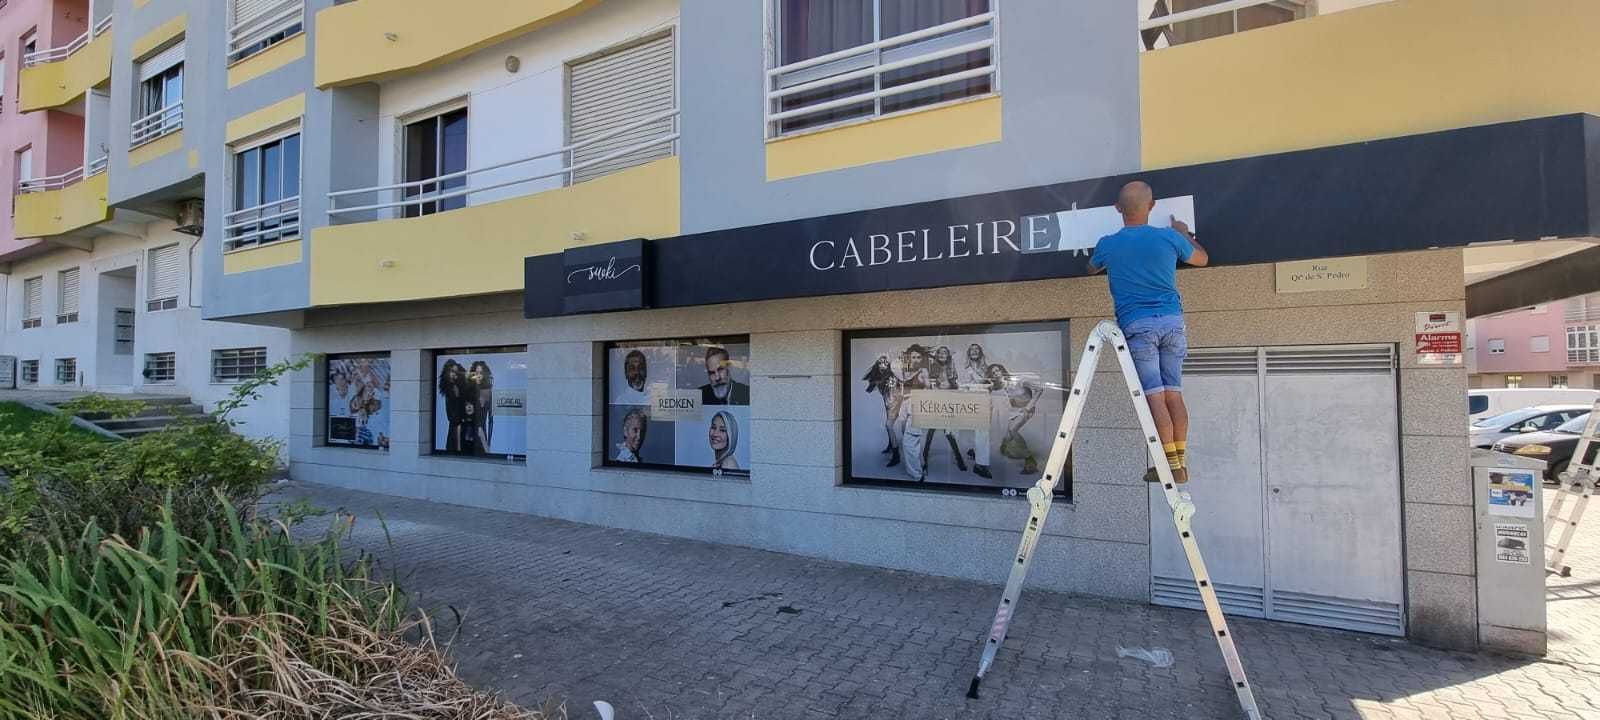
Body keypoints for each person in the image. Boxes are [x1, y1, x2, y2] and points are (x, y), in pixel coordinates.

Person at [1087, 181, 1209, 484]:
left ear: (1118, 209)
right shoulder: (1169, 238)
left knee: (1155, 398)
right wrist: (1184, 232)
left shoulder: (1109, 243)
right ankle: (1180, 463)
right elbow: (1202, 259)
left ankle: (1167, 467)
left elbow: (1091, 268)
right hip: (1172, 321)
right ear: (1151, 206)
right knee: (1173, 394)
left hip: (1138, 325)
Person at [926, 345, 968, 472]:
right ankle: (925, 456)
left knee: (948, 431)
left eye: (945, 353)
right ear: (936, 355)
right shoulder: (932, 365)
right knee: (931, 430)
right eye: (940, 353)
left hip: (948, 401)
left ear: (948, 355)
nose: (942, 355)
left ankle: (958, 458)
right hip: (936, 401)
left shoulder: (951, 366)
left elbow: (954, 384)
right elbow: (932, 384)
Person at [959, 344, 994, 479]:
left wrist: (979, 384)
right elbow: (960, 385)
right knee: (970, 432)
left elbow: (991, 384)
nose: (974, 351)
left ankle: (980, 465)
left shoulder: (987, 368)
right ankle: (975, 452)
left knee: (983, 432)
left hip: (983, 401)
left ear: (980, 353)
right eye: (972, 349)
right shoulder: (964, 368)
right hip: (968, 402)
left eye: (977, 349)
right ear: (968, 353)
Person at [862, 355, 900, 456]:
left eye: (885, 363)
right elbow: (870, 390)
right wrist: (875, 381)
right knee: (888, 425)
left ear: (888, 366)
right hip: (888, 402)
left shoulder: (891, 377)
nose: (883, 365)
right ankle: (891, 445)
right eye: (880, 363)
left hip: (895, 403)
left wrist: (890, 404)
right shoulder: (878, 376)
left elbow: (893, 393)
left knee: (888, 425)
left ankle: (896, 454)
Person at [438, 360, 469, 452]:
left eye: (456, 372)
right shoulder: (449, 390)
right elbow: (451, 416)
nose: (454, 375)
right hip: (454, 428)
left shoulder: (459, 389)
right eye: (451, 371)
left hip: (461, 428)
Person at [469, 361, 495, 452]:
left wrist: (488, 443)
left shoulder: (486, 393)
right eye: (476, 373)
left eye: (481, 373)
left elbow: (490, 420)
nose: (478, 376)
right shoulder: (470, 392)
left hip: (481, 434)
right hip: (469, 434)